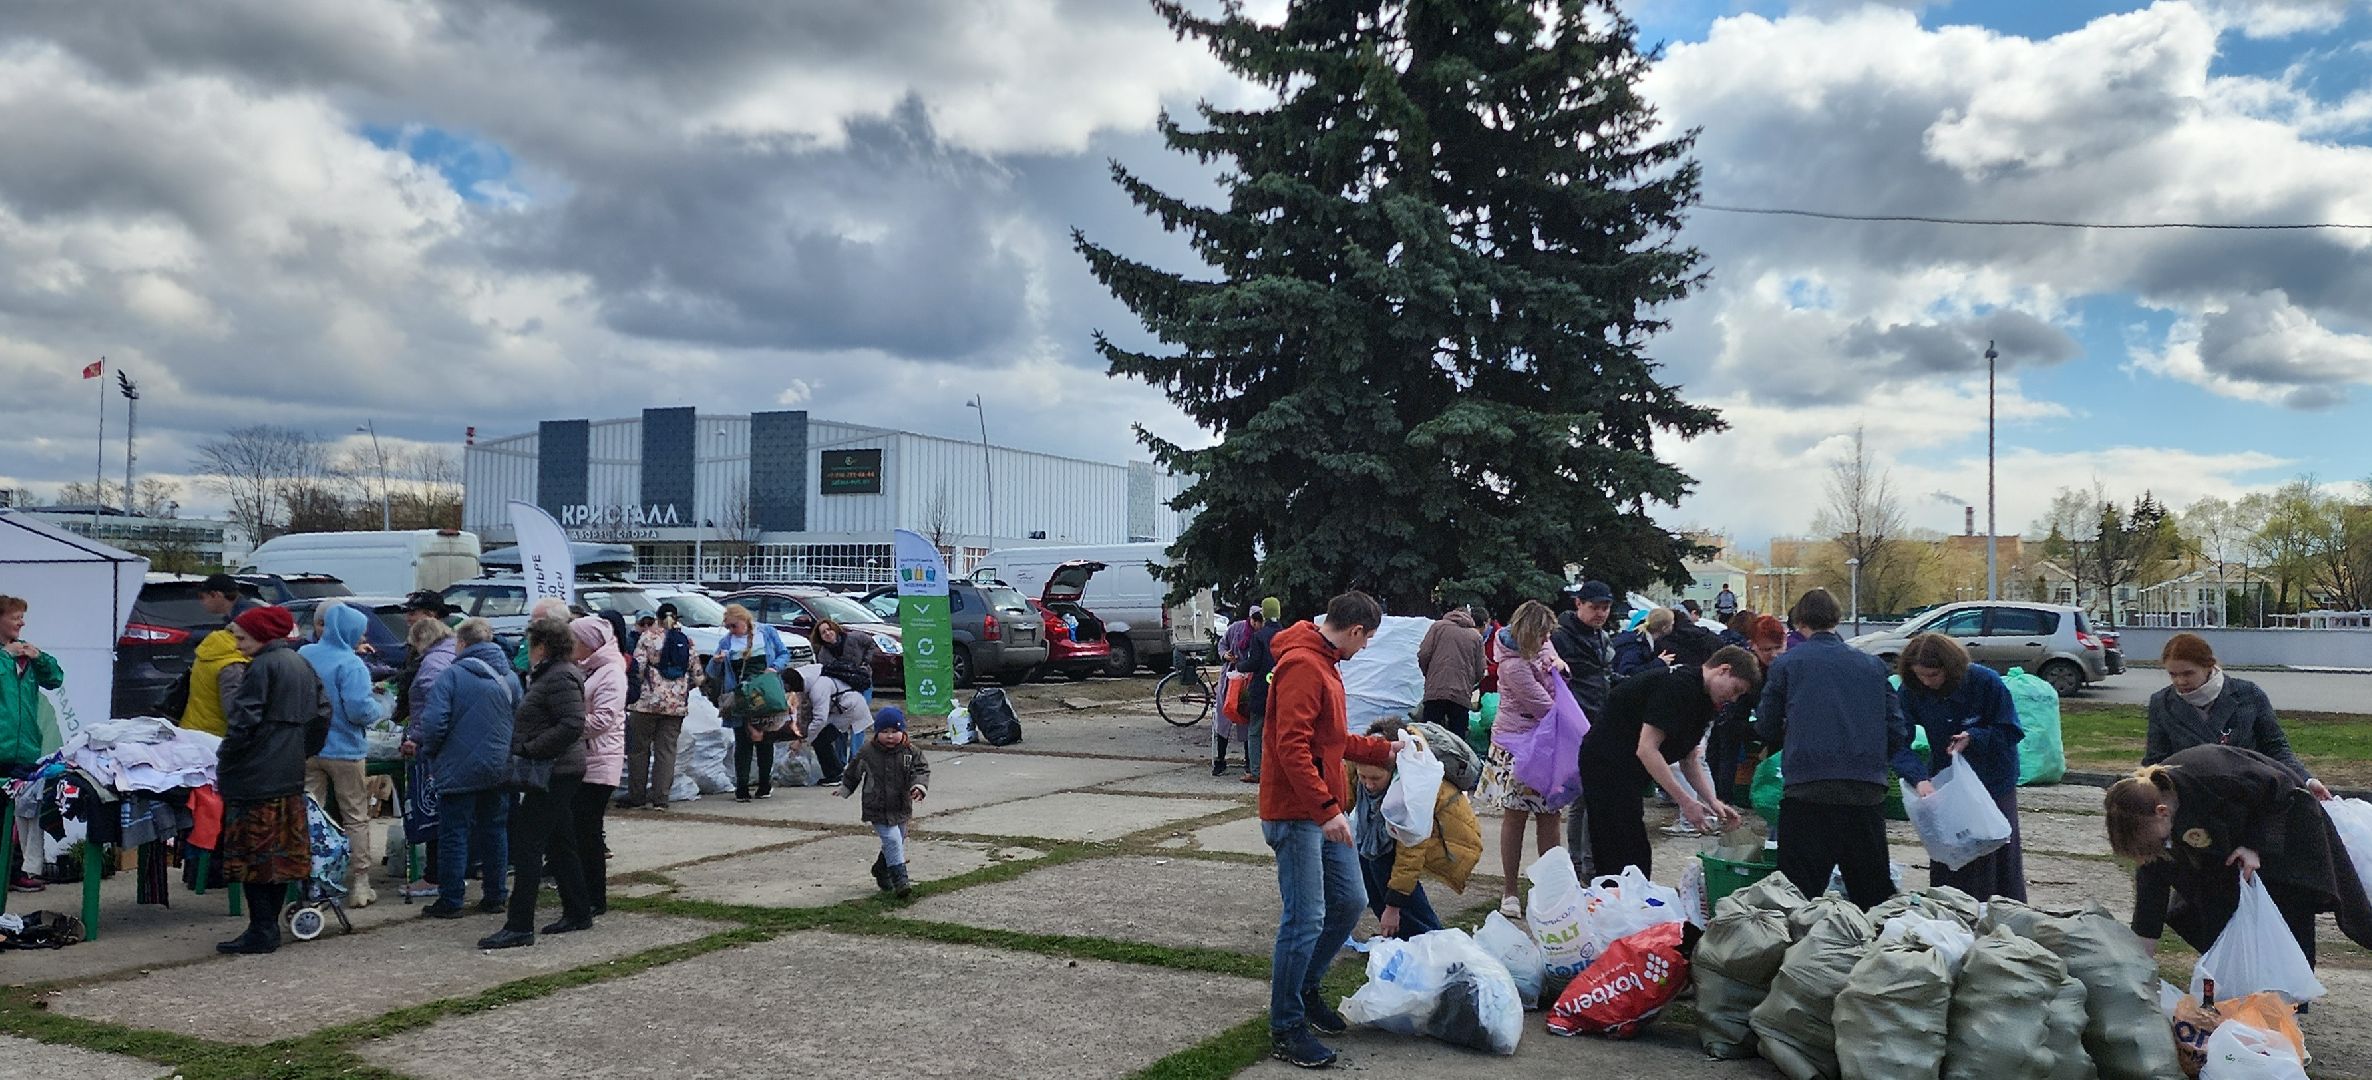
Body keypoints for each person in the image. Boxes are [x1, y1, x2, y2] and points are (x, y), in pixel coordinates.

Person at [1260, 591, 1405, 1070]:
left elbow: (1332, 741)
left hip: (1319, 812)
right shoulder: (1304, 664)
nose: (1365, 650)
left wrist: (1385, 751)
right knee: (1304, 919)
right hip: (1296, 814)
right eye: (1367, 641)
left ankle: (1305, 988)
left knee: (1349, 902)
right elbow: (1291, 748)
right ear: (1357, 630)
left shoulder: (1324, 663)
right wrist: (1326, 810)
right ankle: (1286, 1026)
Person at [2108, 744, 2372, 968]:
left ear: (2162, 812)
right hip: (2232, 842)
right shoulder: (2154, 830)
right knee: (2209, 904)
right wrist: (2140, 966)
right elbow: (2150, 901)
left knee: (2287, 905)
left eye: (2154, 842)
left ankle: (2289, 997)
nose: (2156, 849)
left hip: (2288, 823)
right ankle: (2235, 978)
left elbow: (2280, 790)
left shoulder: (2213, 775)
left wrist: (2254, 845)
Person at [1752, 589, 1912, 910]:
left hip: (1808, 790)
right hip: (1865, 792)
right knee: (1872, 895)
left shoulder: (1787, 665)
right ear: (1838, 620)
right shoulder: (1873, 666)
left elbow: (1766, 725)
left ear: (1798, 623)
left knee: (1796, 896)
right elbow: (1897, 731)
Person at [1578, 647, 1758, 878]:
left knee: (1634, 848)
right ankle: (1615, 898)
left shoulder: (1704, 700)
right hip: (1606, 762)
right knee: (1622, 847)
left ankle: (1631, 900)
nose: (1733, 699)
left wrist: (1713, 801)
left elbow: (1689, 758)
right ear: (1724, 670)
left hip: (1630, 768)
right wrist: (1685, 801)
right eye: (1735, 690)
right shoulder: (1678, 686)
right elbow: (1647, 749)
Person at [215, 606, 330, 953]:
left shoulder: (263, 667)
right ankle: (266, 928)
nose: (236, 644)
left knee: (254, 858)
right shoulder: (301, 663)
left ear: (262, 635)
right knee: (278, 859)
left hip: (255, 777)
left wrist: (227, 757)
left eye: (241, 637)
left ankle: (261, 930)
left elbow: (243, 723)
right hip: (287, 772)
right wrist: (300, 751)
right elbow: (323, 714)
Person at [480, 615, 594, 950]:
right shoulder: (553, 674)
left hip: (555, 772)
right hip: (557, 769)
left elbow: (572, 723)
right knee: (560, 841)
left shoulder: (559, 676)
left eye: (528, 644)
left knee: (528, 844)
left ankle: (519, 925)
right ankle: (578, 910)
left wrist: (532, 750)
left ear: (541, 646)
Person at [1893, 633, 2027, 901]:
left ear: (1949, 668)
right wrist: (1918, 778)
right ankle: (1950, 907)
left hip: (1993, 777)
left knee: (1994, 847)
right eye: (1920, 675)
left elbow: (2010, 730)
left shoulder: (1984, 682)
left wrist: (1974, 737)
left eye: (1933, 675)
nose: (1927, 682)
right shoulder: (1911, 690)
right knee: (1951, 848)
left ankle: (2001, 907)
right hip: (1947, 777)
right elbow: (1896, 740)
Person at [409, 618, 514, 918]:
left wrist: (432, 751)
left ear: (462, 644)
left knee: (453, 833)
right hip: (498, 766)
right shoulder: (510, 677)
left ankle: (451, 898)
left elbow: (433, 723)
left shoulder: (451, 676)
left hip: (457, 767)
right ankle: (496, 895)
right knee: (495, 831)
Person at [2146, 632, 2327, 798]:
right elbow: (2156, 761)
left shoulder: (2249, 694)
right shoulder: (2161, 703)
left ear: (2208, 666)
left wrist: (2307, 780)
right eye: (2173, 675)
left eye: (2188, 673)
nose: (2180, 681)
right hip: (2192, 802)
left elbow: (2276, 748)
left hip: (2250, 798)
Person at [1349, 717, 1482, 941]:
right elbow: (1343, 797)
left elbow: (1411, 852)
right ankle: (1397, 937)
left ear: (1395, 771)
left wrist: (1393, 907)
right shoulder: (1361, 759)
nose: (1368, 784)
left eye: (1375, 778)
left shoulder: (1412, 791)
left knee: (1390, 875)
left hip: (1440, 840)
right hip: (1389, 838)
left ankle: (1433, 940)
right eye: (1363, 777)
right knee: (1369, 861)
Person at [1476, 600, 1568, 917]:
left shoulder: (1540, 644)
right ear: (1528, 633)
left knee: (1550, 815)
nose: (1547, 641)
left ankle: (1549, 888)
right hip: (1517, 746)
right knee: (1515, 816)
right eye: (1542, 636)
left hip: (1545, 743)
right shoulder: (1512, 665)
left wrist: (1557, 664)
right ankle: (1510, 892)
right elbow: (1546, 706)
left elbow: (1552, 657)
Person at [298, 603, 382, 907]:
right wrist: (381, 707)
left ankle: (309, 879)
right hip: (346, 750)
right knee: (355, 816)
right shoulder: (352, 664)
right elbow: (360, 710)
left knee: (309, 815)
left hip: (308, 747)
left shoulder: (304, 655)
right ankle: (360, 883)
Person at [0, 596, 63, 892]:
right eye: (15, 617)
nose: (22, 623)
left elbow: (55, 679)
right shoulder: (6, 657)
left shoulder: (25, 654)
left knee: (18, 818)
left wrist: (39, 657)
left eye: (22, 617)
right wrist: (5, 657)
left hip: (24, 750)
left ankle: (14, 872)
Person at [393, 616, 459, 898]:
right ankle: (448, 875)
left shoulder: (432, 664)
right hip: (453, 744)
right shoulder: (454, 654)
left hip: (433, 746)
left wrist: (415, 737)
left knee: (432, 812)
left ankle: (434, 877)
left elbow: (435, 707)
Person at [838, 705, 930, 898]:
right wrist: (845, 788)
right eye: (885, 732)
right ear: (877, 732)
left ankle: (881, 869)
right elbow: (854, 770)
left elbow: (920, 771)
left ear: (902, 731)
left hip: (901, 805)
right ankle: (901, 881)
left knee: (898, 839)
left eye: (895, 731)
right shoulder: (868, 752)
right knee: (892, 839)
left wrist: (918, 787)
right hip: (876, 806)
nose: (890, 736)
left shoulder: (910, 752)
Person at [707, 604, 796, 802]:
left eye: (734, 626)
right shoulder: (726, 642)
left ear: (745, 621)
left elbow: (784, 653)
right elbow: (711, 672)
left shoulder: (766, 632)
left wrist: (774, 668)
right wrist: (717, 661)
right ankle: (742, 787)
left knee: (766, 740)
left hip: (767, 693)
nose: (732, 630)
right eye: (728, 627)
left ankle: (765, 784)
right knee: (743, 742)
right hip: (741, 696)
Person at [569, 616, 627, 917]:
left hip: (600, 759)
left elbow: (604, 719)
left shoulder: (610, 672)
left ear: (589, 644)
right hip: (588, 757)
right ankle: (588, 894)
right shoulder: (592, 669)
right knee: (583, 830)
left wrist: (568, 726)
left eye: (574, 641)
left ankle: (595, 897)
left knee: (588, 831)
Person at [624, 603, 697, 810]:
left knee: (639, 750)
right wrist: (681, 689)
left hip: (646, 703)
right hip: (675, 706)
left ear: (656, 617)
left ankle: (637, 797)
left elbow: (638, 668)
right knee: (666, 752)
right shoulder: (687, 641)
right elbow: (696, 674)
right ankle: (661, 798)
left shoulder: (647, 638)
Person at [807, 619, 878, 784]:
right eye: (823, 633)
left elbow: (871, 643)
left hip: (862, 683)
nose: (828, 634)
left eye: (829, 629)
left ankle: (856, 761)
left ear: (835, 629)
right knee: (841, 726)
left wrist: (865, 663)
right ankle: (841, 762)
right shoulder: (824, 654)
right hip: (843, 689)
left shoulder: (853, 638)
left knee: (858, 722)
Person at [176, 607, 250, 739]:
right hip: (215, 739)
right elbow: (235, 714)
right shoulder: (233, 664)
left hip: (193, 730)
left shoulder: (214, 647)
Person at [1415, 603, 1484, 738]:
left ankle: (1428, 758)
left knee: (1429, 735)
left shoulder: (1438, 627)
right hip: (1461, 694)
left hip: (1436, 689)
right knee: (1457, 738)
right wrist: (1469, 683)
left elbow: (1423, 654)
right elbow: (1480, 670)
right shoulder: (1476, 637)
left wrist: (1429, 675)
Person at [1551, 582, 1617, 718]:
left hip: (1600, 714)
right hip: (1570, 715)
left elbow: (1606, 675)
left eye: (1605, 608)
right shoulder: (1558, 636)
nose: (1600, 614)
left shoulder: (1603, 637)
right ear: (1578, 603)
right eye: (1594, 607)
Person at [1215, 607, 1268, 775]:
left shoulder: (1261, 635)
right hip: (1230, 680)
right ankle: (1220, 759)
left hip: (1249, 681)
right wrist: (1225, 655)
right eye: (1254, 621)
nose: (1256, 625)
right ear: (1250, 618)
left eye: (1259, 621)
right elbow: (1222, 644)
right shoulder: (1235, 628)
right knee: (1224, 718)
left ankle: (1249, 760)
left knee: (1246, 718)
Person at [1237, 597, 1283, 784]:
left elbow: (1254, 662)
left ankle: (1256, 771)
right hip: (1281, 689)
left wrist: (1240, 666)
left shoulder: (1259, 636)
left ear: (1264, 614)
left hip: (1261, 690)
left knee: (1255, 731)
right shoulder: (1285, 634)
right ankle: (1278, 770)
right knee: (1278, 732)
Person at [1610, 607, 1673, 679]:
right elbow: (1628, 672)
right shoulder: (1637, 645)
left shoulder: (1637, 637)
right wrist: (1659, 663)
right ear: (1664, 628)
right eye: (1671, 624)